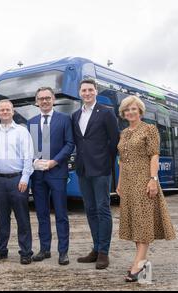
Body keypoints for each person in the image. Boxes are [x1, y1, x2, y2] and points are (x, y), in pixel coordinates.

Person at [116, 95, 176, 282]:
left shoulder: (149, 129)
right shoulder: (124, 133)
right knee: (135, 222)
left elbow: (154, 156)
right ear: (123, 113)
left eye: (134, 108)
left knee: (143, 222)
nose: (130, 112)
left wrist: (152, 180)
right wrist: (119, 182)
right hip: (127, 182)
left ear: (140, 111)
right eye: (127, 109)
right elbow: (122, 161)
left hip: (143, 180)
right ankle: (142, 262)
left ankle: (138, 264)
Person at [72, 79, 119, 269]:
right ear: (80, 93)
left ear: (96, 91)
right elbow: (78, 141)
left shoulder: (106, 113)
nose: (87, 93)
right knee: (90, 209)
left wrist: (106, 162)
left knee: (102, 209)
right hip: (83, 169)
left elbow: (115, 140)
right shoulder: (75, 115)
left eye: (90, 90)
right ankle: (96, 247)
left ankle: (103, 253)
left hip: (101, 169)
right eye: (84, 90)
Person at [27, 87, 75, 265]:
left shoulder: (64, 120)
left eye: (48, 98)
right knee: (41, 213)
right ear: (37, 101)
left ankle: (63, 252)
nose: (45, 101)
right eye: (41, 99)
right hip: (38, 176)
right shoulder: (31, 122)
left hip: (57, 173)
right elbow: (29, 148)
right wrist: (33, 161)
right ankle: (44, 249)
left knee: (61, 213)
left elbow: (70, 144)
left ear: (53, 99)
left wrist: (54, 161)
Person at [0, 100, 34, 265]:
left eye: (8, 109)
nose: (5, 112)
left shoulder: (22, 132)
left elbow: (29, 156)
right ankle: (0, 250)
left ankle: (26, 252)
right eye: (2, 110)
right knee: (1, 219)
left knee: (22, 218)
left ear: (13, 112)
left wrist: (25, 178)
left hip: (17, 180)